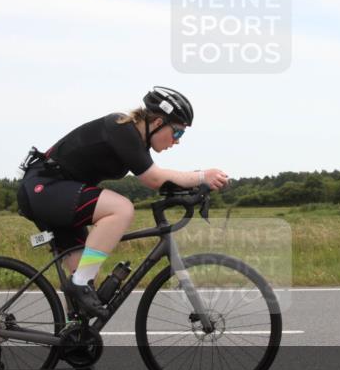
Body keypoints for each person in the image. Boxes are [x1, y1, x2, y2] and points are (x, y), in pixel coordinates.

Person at [16, 86, 229, 318]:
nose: (177, 142)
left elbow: (164, 182)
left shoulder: (136, 142)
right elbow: (154, 179)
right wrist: (202, 176)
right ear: (158, 122)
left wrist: (197, 189)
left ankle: (73, 332)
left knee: (84, 292)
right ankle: (79, 284)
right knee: (121, 208)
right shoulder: (121, 128)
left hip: (59, 194)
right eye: (177, 133)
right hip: (44, 188)